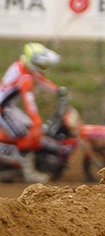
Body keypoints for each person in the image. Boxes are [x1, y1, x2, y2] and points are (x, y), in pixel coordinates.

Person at [0, 44, 62, 184]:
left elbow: (39, 77)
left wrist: (56, 90)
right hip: (3, 109)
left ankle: (16, 157)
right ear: (32, 61)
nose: (43, 68)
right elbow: (29, 103)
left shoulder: (21, 66)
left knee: (27, 127)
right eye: (41, 64)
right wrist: (37, 122)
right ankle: (29, 174)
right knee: (23, 135)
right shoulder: (25, 78)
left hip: (7, 106)